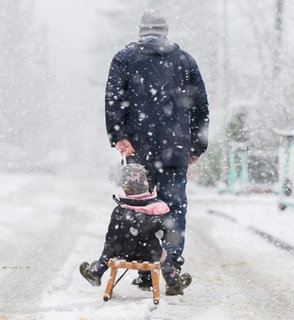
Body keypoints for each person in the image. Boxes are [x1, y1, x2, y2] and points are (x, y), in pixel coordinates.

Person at [104, 9, 210, 292]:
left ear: (141, 31)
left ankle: (145, 268)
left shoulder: (124, 58)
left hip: (137, 151)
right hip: (175, 150)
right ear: (165, 32)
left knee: (140, 211)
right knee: (173, 210)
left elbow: (114, 99)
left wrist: (119, 136)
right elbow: (200, 106)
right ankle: (171, 269)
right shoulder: (185, 60)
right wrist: (197, 145)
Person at [79, 164, 192, 295]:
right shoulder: (158, 209)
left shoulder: (120, 210)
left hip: (122, 252)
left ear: (124, 187)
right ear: (146, 184)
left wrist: (107, 255)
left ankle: (96, 272)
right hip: (150, 253)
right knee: (164, 255)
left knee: (110, 246)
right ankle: (174, 283)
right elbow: (169, 236)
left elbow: (111, 239)